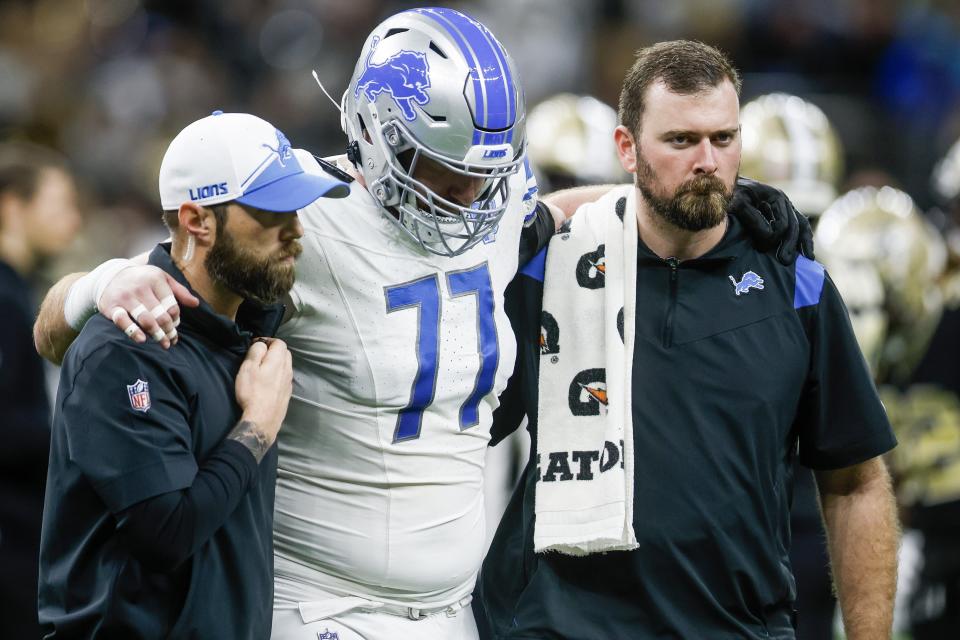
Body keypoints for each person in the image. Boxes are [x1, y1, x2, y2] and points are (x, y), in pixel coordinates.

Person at [32, 9, 809, 640]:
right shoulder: (299, 220)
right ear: (378, 135)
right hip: (320, 606)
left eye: (483, 173)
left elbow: (554, 215)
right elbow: (80, 320)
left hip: (453, 609)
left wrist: (713, 210)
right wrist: (101, 282)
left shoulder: (498, 209)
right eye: (446, 172)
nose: (468, 198)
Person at [474, 40, 899, 640]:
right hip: (559, 627)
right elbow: (459, 433)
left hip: (737, 628)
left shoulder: (795, 285)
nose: (707, 160)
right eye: (681, 140)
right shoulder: (552, 270)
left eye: (723, 139)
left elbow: (857, 480)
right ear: (626, 148)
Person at [37, 111, 349, 638]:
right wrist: (259, 426)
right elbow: (167, 532)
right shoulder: (129, 345)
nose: (296, 231)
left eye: (296, 208)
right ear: (197, 220)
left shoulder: (246, 317)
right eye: (273, 211)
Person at [0, 143, 81, 640]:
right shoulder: (4, 299)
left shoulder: (20, 291)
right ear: (12, 205)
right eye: (60, 206)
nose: (73, 222)